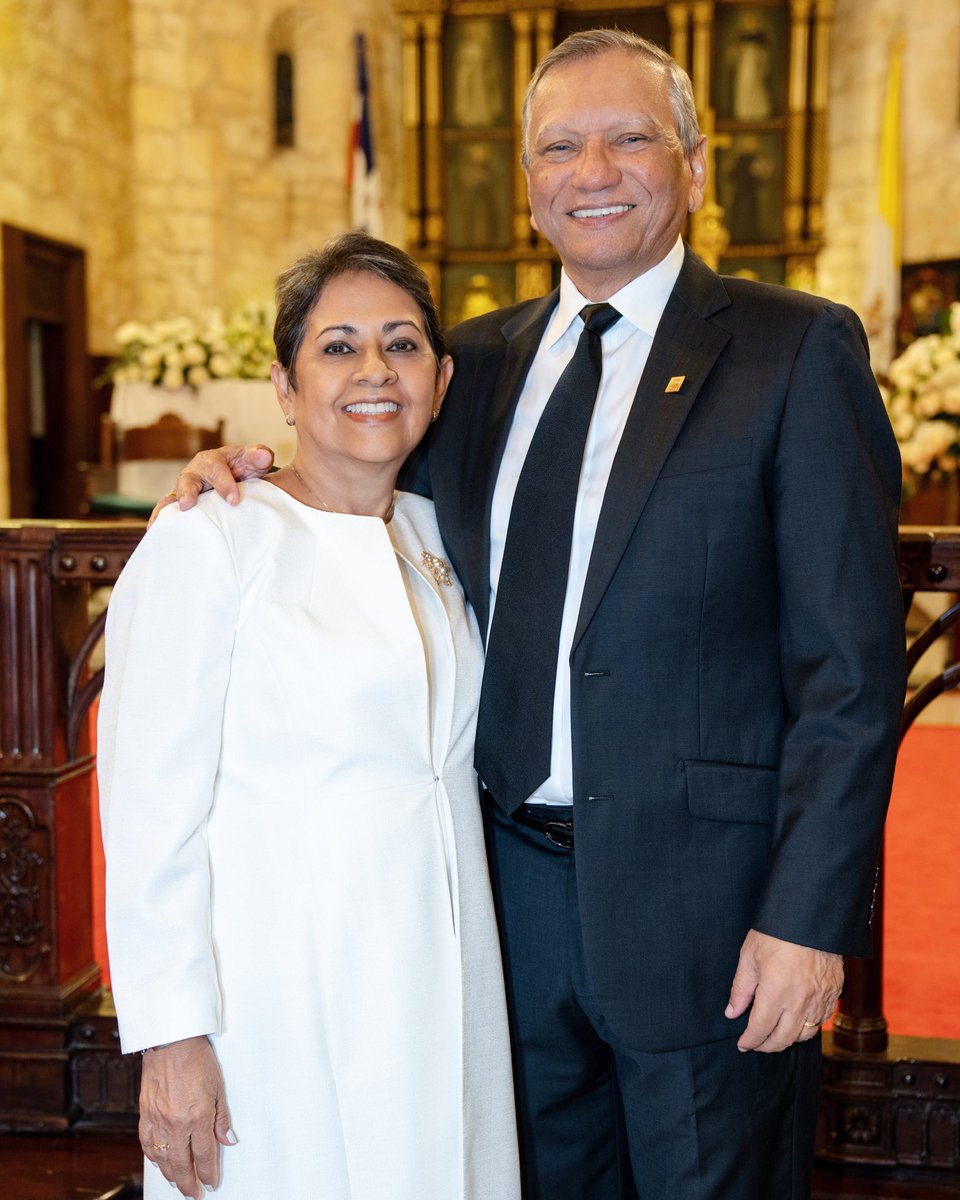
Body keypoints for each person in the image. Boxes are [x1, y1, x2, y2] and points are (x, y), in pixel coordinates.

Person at [163, 30, 906, 1200]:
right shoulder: (468, 365)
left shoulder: (794, 349)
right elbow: (354, 482)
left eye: (629, 139)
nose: (591, 171)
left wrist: (808, 921)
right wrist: (241, 473)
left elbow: (849, 675)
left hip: (712, 923)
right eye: (560, 147)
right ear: (526, 181)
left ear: (695, 166)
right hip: (496, 916)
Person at [99, 233, 520, 1200]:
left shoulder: (435, 535)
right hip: (278, 997)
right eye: (338, 347)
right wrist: (172, 1036)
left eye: (402, 344)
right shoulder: (215, 538)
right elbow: (149, 810)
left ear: (441, 380)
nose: (375, 370)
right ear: (285, 389)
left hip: (443, 983)